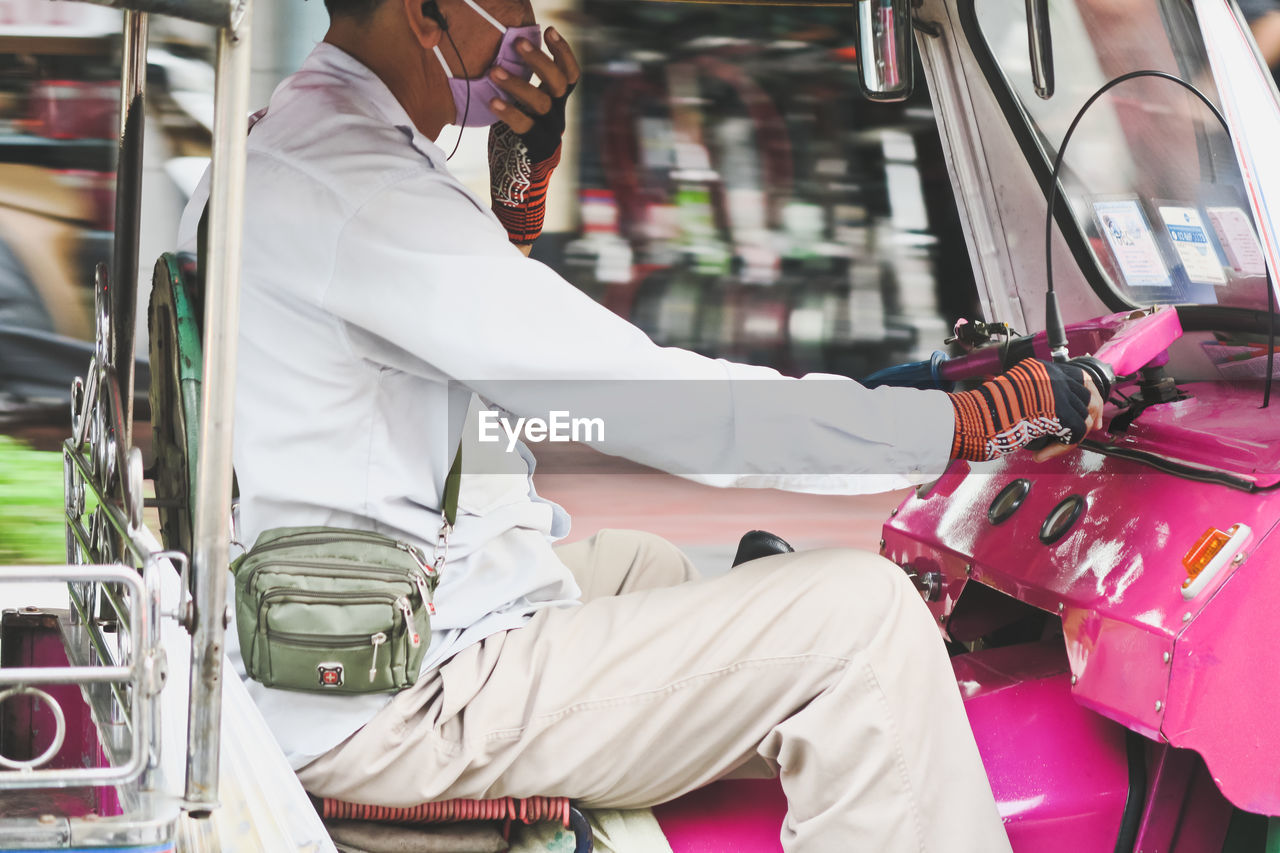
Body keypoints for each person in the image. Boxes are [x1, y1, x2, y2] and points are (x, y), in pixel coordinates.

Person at [178, 0, 1101, 849]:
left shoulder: (280, 145)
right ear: (426, 13)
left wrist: (517, 189)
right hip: (395, 697)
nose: (531, 25)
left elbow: (432, 361)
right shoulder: (365, 190)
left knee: (647, 564)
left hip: (339, 618)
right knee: (865, 621)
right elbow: (651, 400)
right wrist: (960, 422)